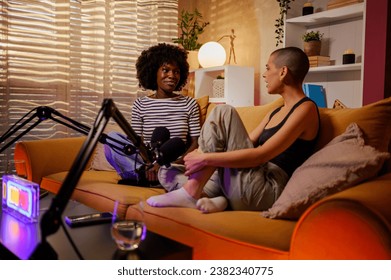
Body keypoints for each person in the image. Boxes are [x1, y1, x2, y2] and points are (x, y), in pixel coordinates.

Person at [146, 46, 320, 213]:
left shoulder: (306, 109)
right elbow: (247, 143)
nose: (265, 75)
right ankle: (217, 199)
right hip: (245, 181)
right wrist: (199, 154)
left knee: (223, 111)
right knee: (167, 171)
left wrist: (206, 159)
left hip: (266, 187)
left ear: (283, 72)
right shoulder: (275, 112)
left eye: (268, 68)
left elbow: (261, 155)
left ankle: (191, 193)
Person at [104, 43, 201, 187]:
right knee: (111, 138)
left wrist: (175, 163)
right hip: (146, 160)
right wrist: (151, 164)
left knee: (172, 157)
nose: (172, 76)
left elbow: (195, 143)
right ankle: (146, 174)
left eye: (176, 72)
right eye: (166, 70)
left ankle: (146, 177)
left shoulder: (189, 103)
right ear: (153, 71)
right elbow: (136, 141)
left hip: (174, 162)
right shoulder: (140, 104)